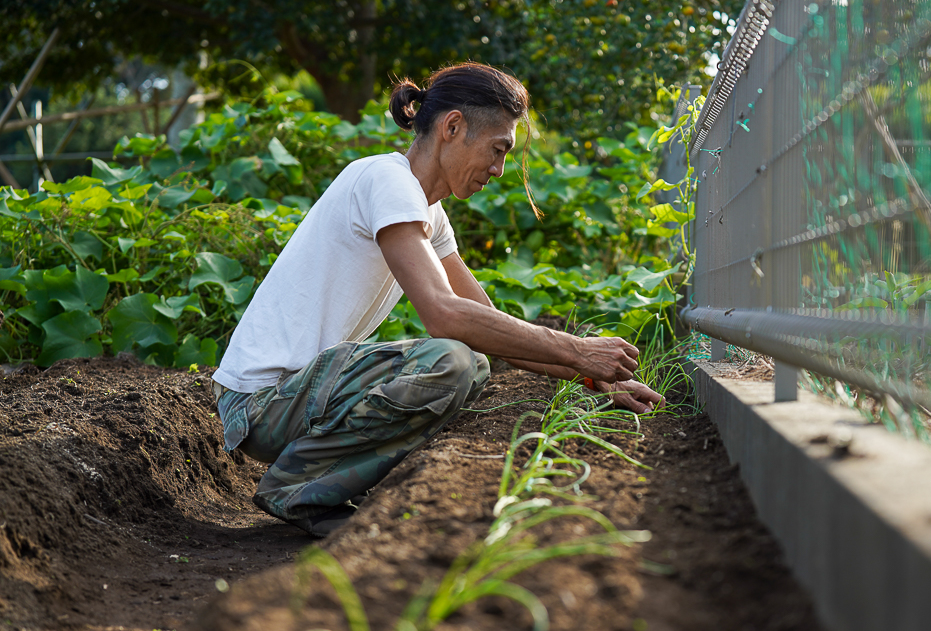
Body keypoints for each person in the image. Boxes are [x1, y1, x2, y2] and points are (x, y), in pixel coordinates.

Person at [211, 62, 665, 537]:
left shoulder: (428, 210)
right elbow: (443, 313)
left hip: (293, 398)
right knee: (453, 362)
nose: (499, 169)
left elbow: (488, 325)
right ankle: (299, 485)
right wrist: (577, 349)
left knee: (468, 357)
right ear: (453, 126)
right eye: (497, 149)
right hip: (259, 404)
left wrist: (593, 376)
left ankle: (325, 479)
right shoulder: (385, 180)